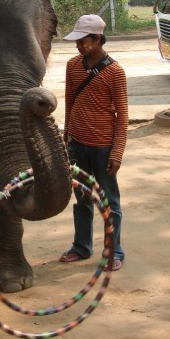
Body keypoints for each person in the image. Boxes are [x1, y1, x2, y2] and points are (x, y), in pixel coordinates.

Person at [59, 14, 128, 271]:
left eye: (82, 40)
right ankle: (81, 246)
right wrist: (67, 136)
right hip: (77, 144)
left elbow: (123, 116)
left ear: (97, 39)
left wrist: (117, 152)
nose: (78, 45)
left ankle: (114, 250)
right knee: (82, 197)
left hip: (103, 147)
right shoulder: (72, 66)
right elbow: (70, 101)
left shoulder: (115, 72)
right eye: (76, 41)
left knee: (109, 200)